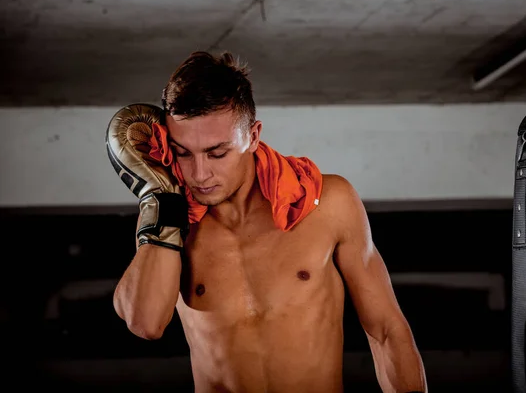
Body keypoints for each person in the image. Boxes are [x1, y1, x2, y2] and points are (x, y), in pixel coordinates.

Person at [107, 51, 427, 393]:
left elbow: (386, 330)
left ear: (253, 136)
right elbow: (145, 324)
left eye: (217, 153)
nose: (200, 174)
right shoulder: (171, 219)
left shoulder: (327, 203)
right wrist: (159, 199)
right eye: (183, 153)